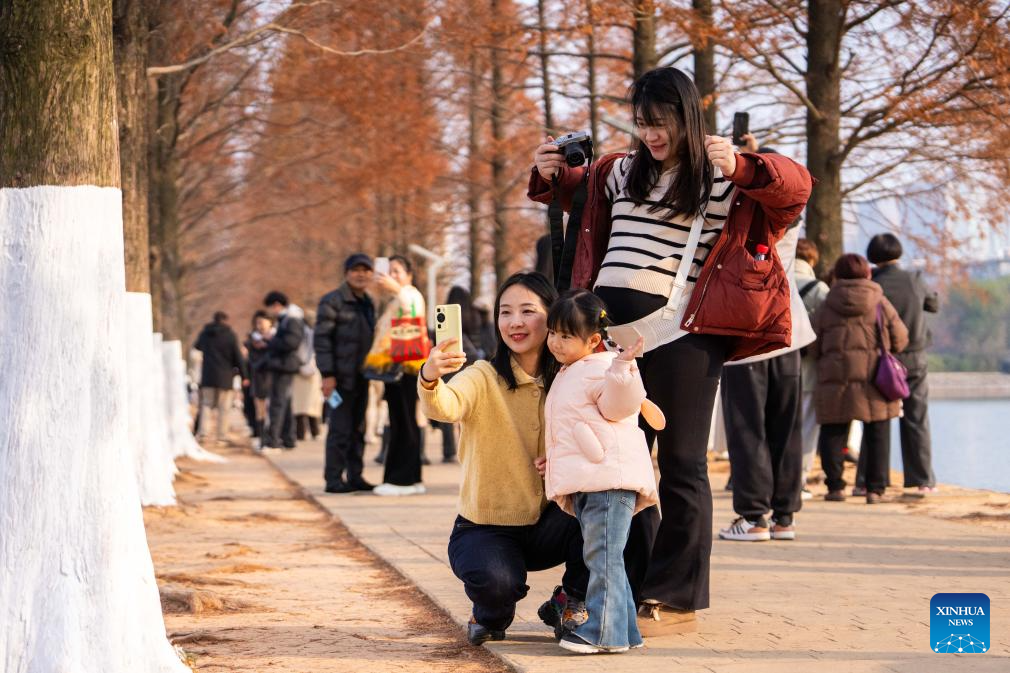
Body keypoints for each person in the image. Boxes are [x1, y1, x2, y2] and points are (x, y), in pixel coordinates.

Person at [529, 66, 812, 634]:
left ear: (688, 118)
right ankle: (627, 581)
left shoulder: (721, 176)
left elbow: (795, 188)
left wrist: (744, 164)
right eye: (641, 124)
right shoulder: (618, 170)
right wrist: (549, 174)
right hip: (609, 340)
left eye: (661, 124)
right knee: (615, 463)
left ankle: (675, 591)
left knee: (682, 461)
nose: (651, 135)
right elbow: (574, 201)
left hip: (684, 334)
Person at [418, 272, 589, 646]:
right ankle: (490, 611)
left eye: (528, 311)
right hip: (486, 525)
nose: (515, 322)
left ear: (552, 316)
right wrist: (431, 375)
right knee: (498, 586)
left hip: (553, 518)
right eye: (505, 312)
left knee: (626, 510)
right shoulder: (481, 376)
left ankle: (570, 599)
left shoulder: (571, 377)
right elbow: (446, 407)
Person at [543, 289, 659, 654]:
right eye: (552, 333)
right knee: (607, 556)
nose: (555, 343)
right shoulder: (573, 371)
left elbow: (619, 407)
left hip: (608, 481)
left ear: (592, 339)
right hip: (595, 478)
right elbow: (574, 426)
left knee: (602, 557)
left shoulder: (602, 369)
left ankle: (602, 633)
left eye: (566, 336)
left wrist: (623, 367)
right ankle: (625, 630)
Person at [718, 148, 816, 541]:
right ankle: (784, 517)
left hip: (745, 336)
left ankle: (754, 516)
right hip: (788, 333)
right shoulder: (788, 216)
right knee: (785, 427)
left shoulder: (738, 218)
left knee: (748, 430)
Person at [810, 254, 909, 504]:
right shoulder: (879, 301)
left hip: (834, 378)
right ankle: (874, 489)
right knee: (877, 431)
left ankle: (835, 487)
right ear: (867, 273)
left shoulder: (827, 302)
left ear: (837, 275)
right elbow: (900, 338)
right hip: (875, 378)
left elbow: (812, 343)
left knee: (833, 430)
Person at [864, 233, 939, 494]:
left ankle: (868, 481)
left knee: (876, 420)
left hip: (881, 361)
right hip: (915, 358)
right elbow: (934, 304)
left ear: (873, 256)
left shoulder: (872, 282)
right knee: (916, 418)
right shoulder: (915, 279)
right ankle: (922, 481)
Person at [315, 253, 377, 493]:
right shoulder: (332, 301)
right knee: (339, 429)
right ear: (346, 273)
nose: (361, 274)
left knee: (358, 429)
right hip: (339, 377)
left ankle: (355, 475)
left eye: (366, 270)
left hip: (363, 376)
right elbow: (321, 340)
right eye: (356, 270)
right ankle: (333, 479)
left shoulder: (368, 301)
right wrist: (327, 374)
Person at [366, 255, 427, 496]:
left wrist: (397, 289)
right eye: (389, 271)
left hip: (404, 365)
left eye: (397, 271)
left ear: (409, 275)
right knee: (401, 421)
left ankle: (402, 480)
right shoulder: (398, 296)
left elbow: (413, 313)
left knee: (403, 421)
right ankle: (408, 477)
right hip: (398, 365)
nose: (392, 276)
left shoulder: (410, 293)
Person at [431, 286, 484, 464]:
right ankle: (467, 448)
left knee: (447, 406)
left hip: (450, 363)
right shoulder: (475, 315)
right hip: (470, 364)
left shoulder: (444, 316)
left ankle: (449, 451)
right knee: (467, 410)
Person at [795, 238, 830, 495]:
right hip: (808, 371)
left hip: (770, 367)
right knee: (806, 429)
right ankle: (798, 481)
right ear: (812, 260)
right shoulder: (820, 289)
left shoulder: (776, 281)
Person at [193, 311, 247, 444]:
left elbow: (197, 346)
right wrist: (244, 375)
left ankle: (203, 434)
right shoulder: (230, 335)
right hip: (225, 376)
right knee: (224, 407)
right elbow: (238, 357)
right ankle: (221, 437)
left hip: (208, 376)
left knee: (206, 404)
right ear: (225, 320)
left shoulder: (205, 334)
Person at [263, 291, 306, 450]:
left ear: (276, 305)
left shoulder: (292, 319)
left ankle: (273, 440)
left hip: (285, 365)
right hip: (283, 365)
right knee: (285, 403)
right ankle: (288, 438)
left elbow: (292, 342)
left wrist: (272, 341)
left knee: (278, 402)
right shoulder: (288, 319)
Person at [244, 310, 275, 449]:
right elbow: (253, 361)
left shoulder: (275, 338)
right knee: (260, 411)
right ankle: (262, 438)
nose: (260, 325)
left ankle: (272, 438)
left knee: (273, 411)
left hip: (273, 378)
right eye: (258, 323)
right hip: (259, 379)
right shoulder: (252, 341)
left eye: (262, 322)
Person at [292, 309, 324, 442]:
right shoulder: (317, 333)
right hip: (314, 371)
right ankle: (315, 431)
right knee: (313, 404)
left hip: (298, 371)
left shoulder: (298, 333)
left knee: (300, 405)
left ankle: (301, 433)